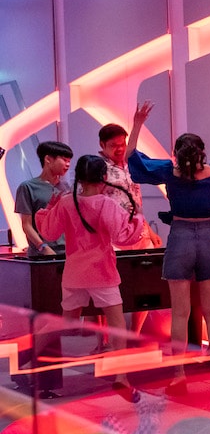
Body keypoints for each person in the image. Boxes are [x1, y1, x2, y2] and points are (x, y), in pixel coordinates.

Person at [126, 95, 210, 389]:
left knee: (181, 312)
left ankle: (178, 375)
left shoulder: (168, 172)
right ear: (202, 151)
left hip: (181, 236)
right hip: (209, 236)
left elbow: (132, 158)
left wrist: (137, 124)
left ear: (175, 153)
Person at [35, 154, 145, 396]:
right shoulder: (107, 205)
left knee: (66, 323)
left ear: (79, 177)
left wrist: (46, 211)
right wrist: (137, 219)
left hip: (74, 272)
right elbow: (123, 237)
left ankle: (32, 353)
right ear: (104, 178)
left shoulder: (66, 202)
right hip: (102, 272)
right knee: (117, 324)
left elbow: (49, 232)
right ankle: (121, 377)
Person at [98, 122, 162, 335]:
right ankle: (106, 337)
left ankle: (134, 334)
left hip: (139, 233)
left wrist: (150, 231)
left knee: (143, 285)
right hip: (111, 237)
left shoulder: (131, 165)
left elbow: (137, 200)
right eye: (113, 144)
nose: (120, 148)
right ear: (102, 145)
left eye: (122, 143)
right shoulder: (97, 168)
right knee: (109, 288)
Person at [15, 141, 73, 257]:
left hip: (68, 252)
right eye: (64, 160)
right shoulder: (28, 187)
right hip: (41, 255)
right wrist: (42, 247)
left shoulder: (67, 187)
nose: (68, 165)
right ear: (48, 159)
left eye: (69, 161)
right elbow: (26, 224)